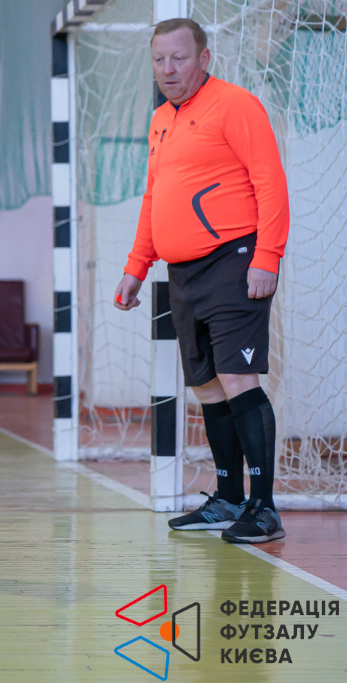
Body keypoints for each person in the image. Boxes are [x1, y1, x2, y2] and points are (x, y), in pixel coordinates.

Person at [114, 19, 290, 544]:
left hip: (235, 261)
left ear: (204, 58)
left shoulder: (235, 105)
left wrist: (267, 256)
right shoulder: (160, 119)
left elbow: (270, 182)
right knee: (208, 386)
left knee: (238, 379)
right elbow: (155, 197)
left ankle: (264, 508)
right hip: (182, 272)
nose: (168, 69)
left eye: (179, 58)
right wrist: (136, 266)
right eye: (159, 59)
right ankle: (229, 498)